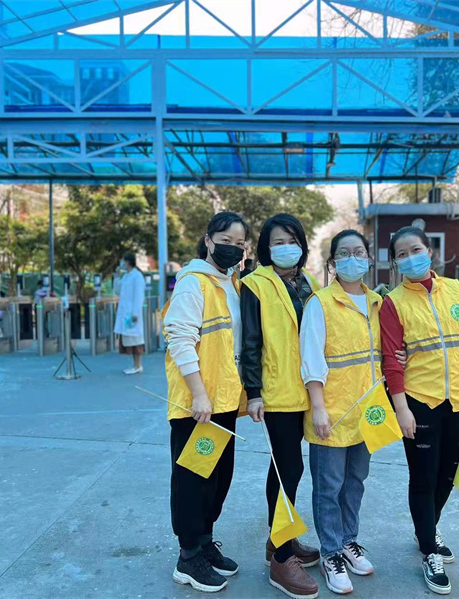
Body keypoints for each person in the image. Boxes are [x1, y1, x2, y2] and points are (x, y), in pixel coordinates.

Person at [379, 226, 459, 596]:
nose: (411, 258)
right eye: (402, 254)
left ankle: (426, 528)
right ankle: (429, 550)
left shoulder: (457, 290)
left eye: (416, 249)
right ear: (395, 262)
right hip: (420, 402)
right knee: (423, 478)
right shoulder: (393, 303)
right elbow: (391, 362)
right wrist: (401, 409)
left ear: (429, 251)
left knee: (448, 476)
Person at [162, 212, 249, 593]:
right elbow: (180, 338)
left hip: (224, 400)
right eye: (226, 240)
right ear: (209, 240)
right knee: (193, 480)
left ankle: (204, 541)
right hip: (198, 405)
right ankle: (188, 556)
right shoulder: (193, 282)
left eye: (239, 243)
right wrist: (198, 393)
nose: (233, 248)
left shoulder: (231, 284)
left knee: (217, 478)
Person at [240, 214, 321, 599]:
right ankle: (282, 559)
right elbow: (250, 341)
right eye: (278, 242)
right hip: (276, 391)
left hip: (307, 388)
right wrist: (253, 391)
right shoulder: (255, 284)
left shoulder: (309, 283)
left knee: (288, 466)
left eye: (292, 240)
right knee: (289, 467)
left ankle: (279, 540)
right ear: (265, 248)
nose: (287, 247)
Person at [300, 229, 382, 595]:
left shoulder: (378, 302)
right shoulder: (320, 303)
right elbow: (311, 359)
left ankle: (349, 540)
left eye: (359, 251)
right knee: (328, 487)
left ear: (369, 258)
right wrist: (318, 408)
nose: (353, 258)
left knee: (355, 483)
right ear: (333, 263)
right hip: (331, 413)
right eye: (344, 253)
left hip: (367, 414)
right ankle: (331, 552)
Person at [114, 253, 146, 375]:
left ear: (128, 262)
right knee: (130, 340)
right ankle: (135, 365)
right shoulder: (126, 276)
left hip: (132, 313)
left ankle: (138, 365)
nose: (121, 264)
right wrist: (116, 277)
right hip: (125, 313)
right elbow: (118, 291)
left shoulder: (137, 276)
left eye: (123, 261)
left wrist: (135, 313)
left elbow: (139, 296)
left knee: (136, 340)